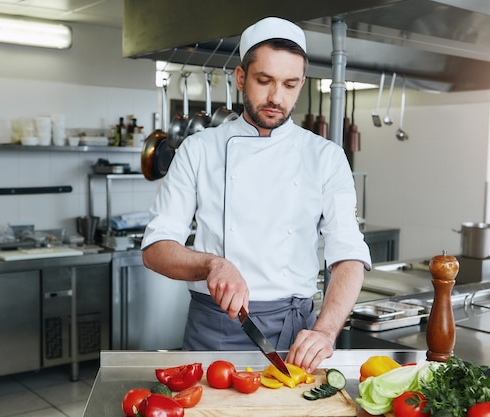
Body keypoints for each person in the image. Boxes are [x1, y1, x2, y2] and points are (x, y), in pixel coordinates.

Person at [141, 16, 371, 372]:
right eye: (264, 81)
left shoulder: (324, 156)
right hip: (215, 327)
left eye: (290, 85)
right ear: (240, 78)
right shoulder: (198, 150)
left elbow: (349, 256)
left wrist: (325, 332)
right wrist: (211, 263)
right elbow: (156, 249)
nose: (276, 98)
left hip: (296, 332)